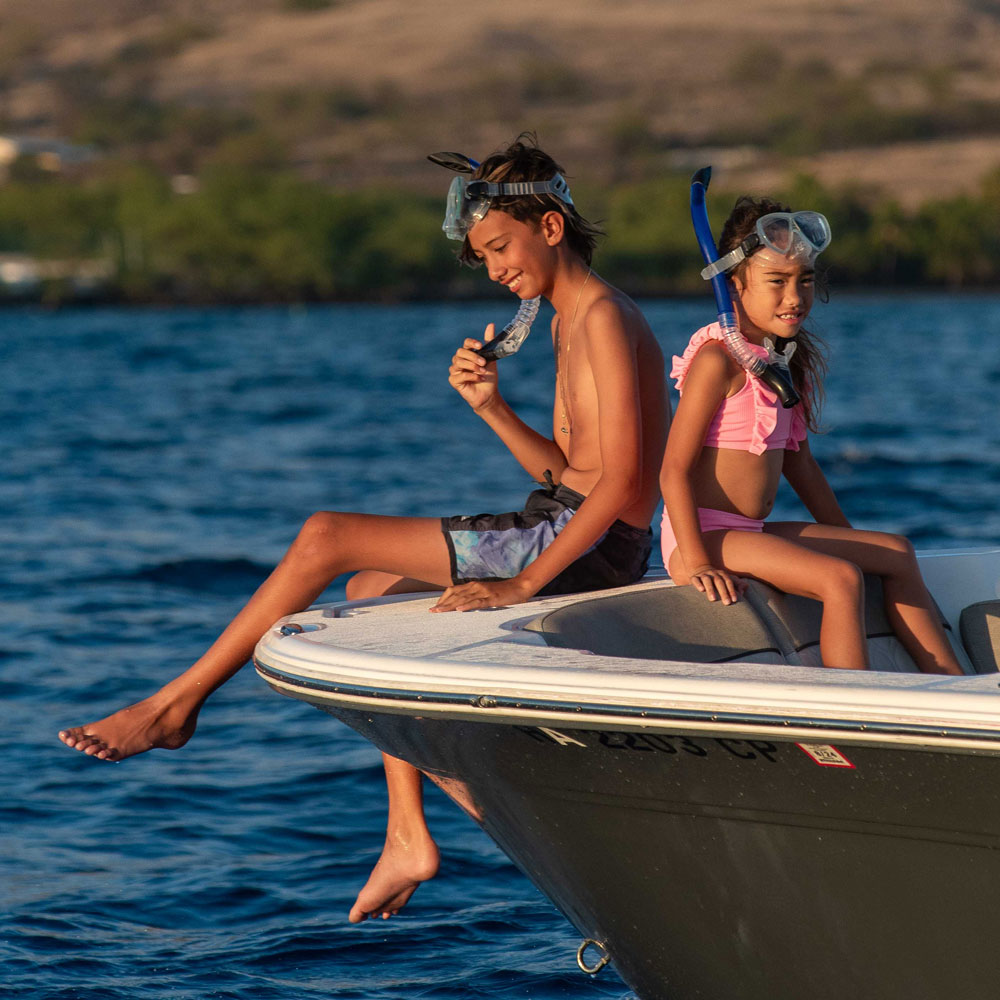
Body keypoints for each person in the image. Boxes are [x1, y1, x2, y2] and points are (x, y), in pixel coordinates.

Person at [59, 136, 670, 921]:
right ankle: (407, 833)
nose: (493, 270)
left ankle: (172, 707)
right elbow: (572, 471)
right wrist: (491, 408)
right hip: (562, 528)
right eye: (482, 257)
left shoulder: (605, 319)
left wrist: (519, 585)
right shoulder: (567, 320)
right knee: (369, 589)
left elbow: (622, 483)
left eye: (499, 248)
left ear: (550, 227)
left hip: (577, 544)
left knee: (327, 535)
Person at [659, 194, 963, 675]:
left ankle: (951, 685)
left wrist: (849, 538)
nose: (795, 297)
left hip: (748, 533)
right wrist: (697, 562)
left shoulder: (781, 361)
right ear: (735, 283)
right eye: (777, 281)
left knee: (896, 553)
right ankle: (853, 703)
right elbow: (672, 470)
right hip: (703, 535)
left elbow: (801, 465)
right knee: (840, 578)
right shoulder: (717, 360)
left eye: (804, 279)